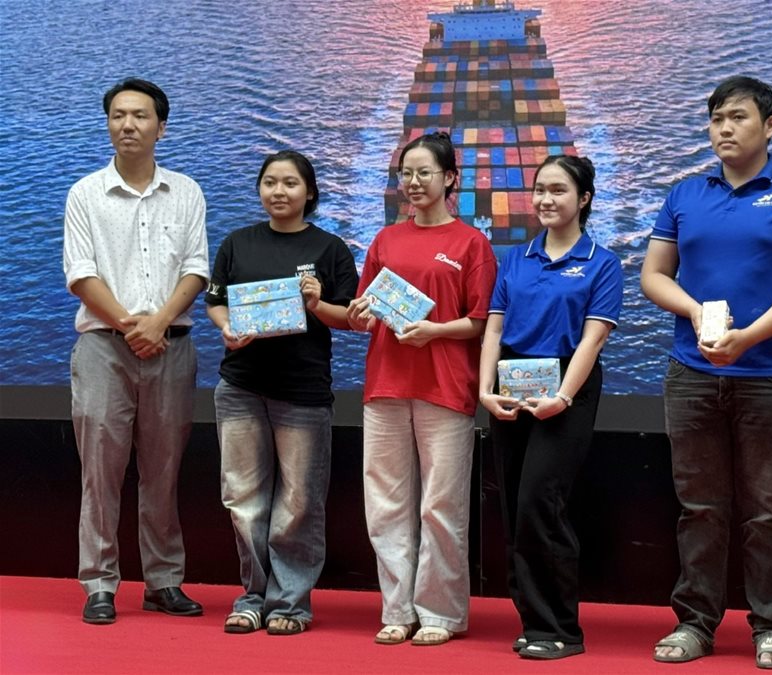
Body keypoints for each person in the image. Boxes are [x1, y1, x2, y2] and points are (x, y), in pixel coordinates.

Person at [640, 75, 772, 667]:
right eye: (716, 119)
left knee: (768, 509)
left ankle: (771, 625)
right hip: (691, 371)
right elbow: (654, 275)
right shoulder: (685, 194)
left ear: (769, 126)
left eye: (738, 117)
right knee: (699, 507)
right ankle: (695, 622)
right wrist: (694, 310)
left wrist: (748, 337)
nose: (724, 129)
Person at [63, 77, 208, 624]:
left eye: (140, 116)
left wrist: (159, 322)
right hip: (104, 348)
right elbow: (81, 274)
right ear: (108, 124)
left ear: (160, 127)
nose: (128, 125)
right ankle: (99, 583)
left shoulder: (187, 191)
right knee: (100, 472)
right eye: (118, 115)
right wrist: (132, 327)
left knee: (163, 472)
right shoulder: (85, 193)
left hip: (172, 347)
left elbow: (196, 268)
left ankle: (163, 581)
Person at [347, 131, 497, 646]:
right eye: (405, 173)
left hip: (446, 386)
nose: (413, 182)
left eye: (424, 172)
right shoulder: (385, 240)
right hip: (386, 383)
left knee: (441, 505)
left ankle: (440, 613)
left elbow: (481, 321)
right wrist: (360, 314)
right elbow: (365, 312)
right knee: (385, 504)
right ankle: (397, 609)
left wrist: (434, 331)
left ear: (450, 178)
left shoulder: (471, 243)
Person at [205, 150, 359, 635]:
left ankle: (290, 602)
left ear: (309, 192)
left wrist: (317, 304)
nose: (279, 191)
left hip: (302, 391)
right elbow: (216, 302)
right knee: (243, 498)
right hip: (241, 386)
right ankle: (252, 595)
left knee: (299, 502)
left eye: (290, 183)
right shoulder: (237, 243)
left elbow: (351, 318)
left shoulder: (330, 248)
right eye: (270, 181)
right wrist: (226, 327)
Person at [478, 155, 623, 660]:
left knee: (541, 502)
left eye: (558, 190)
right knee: (514, 505)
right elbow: (495, 328)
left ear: (584, 199)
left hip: (567, 387)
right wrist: (485, 389)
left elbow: (592, 340)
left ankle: (560, 628)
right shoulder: (515, 258)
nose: (545, 199)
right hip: (512, 383)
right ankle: (532, 620)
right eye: (539, 189)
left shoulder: (603, 262)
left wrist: (562, 397)